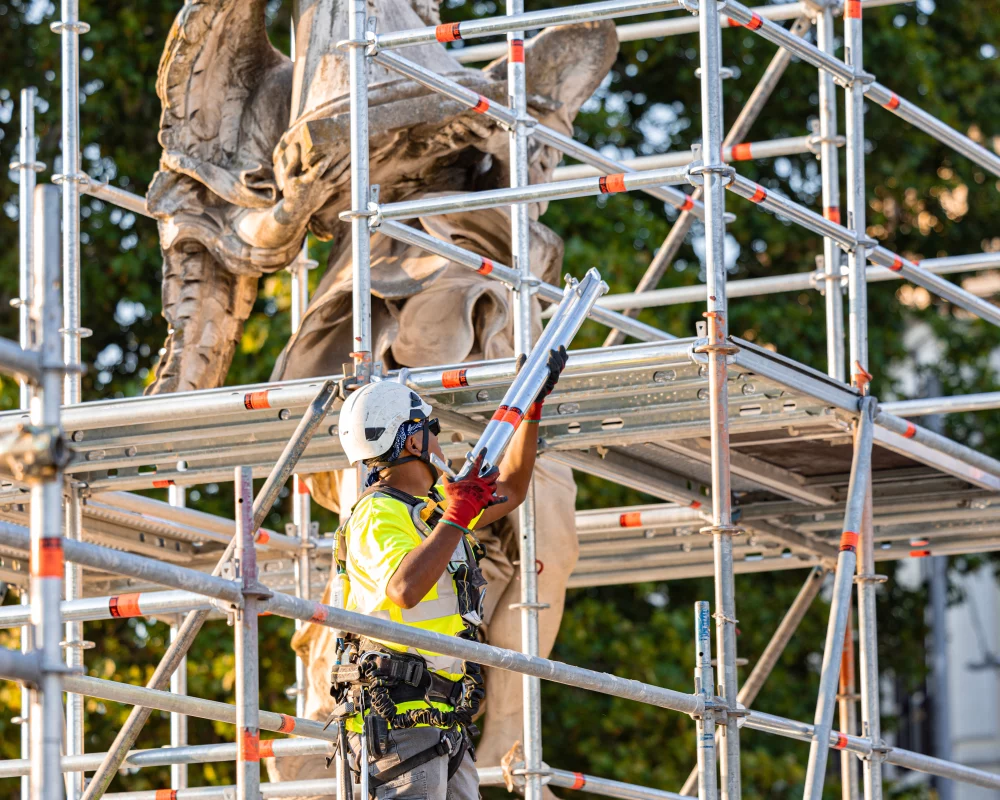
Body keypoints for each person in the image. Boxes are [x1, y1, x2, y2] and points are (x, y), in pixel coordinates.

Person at [330, 346, 568, 800]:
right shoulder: (377, 514)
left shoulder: (433, 510)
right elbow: (404, 588)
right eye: (432, 429)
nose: (440, 440)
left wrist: (533, 408)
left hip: (441, 714)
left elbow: (513, 489)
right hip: (395, 718)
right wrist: (457, 515)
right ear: (413, 441)